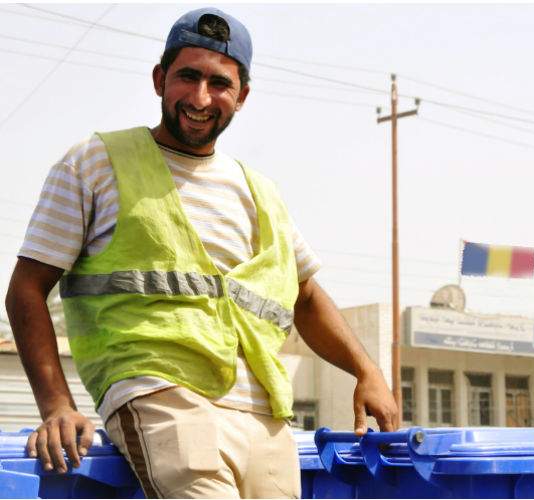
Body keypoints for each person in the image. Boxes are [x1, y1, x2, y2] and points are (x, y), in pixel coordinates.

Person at [4, 7, 398, 498]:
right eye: (187, 76)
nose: (200, 97)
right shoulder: (95, 163)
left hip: (264, 417)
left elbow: (306, 297)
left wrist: (368, 372)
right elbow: (26, 289)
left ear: (243, 96)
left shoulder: (260, 193)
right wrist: (57, 405)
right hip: (160, 397)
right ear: (159, 79)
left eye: (220, 83)